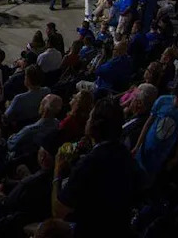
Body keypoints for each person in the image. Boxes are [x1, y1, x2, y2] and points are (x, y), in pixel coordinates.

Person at [53, 99, 144, 238]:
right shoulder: (126, 154)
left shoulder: (90, 162)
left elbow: (59, 211)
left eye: (90, 116)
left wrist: (57, 171)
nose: (87, 119)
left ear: (95, 125)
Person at [133, 77, 178, 181]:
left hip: (161, 154)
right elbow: (148, 123)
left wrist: (176, 157)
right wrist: (137, 145)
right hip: (147, 146)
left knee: (147, 177)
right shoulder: (162, 100)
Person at [7, 94, 63, 159]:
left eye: (41, 103)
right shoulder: (57, 123)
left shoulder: (29, 130)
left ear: (45, 110)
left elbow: (10, 146)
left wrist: (11, 137)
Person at [4, 65, 49, 129]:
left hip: (21, 126)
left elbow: (7, 117)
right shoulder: (47, 91)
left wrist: (8, 105)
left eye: (25, 76)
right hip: (37, 122)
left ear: (28, 79)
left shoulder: (19, 98)